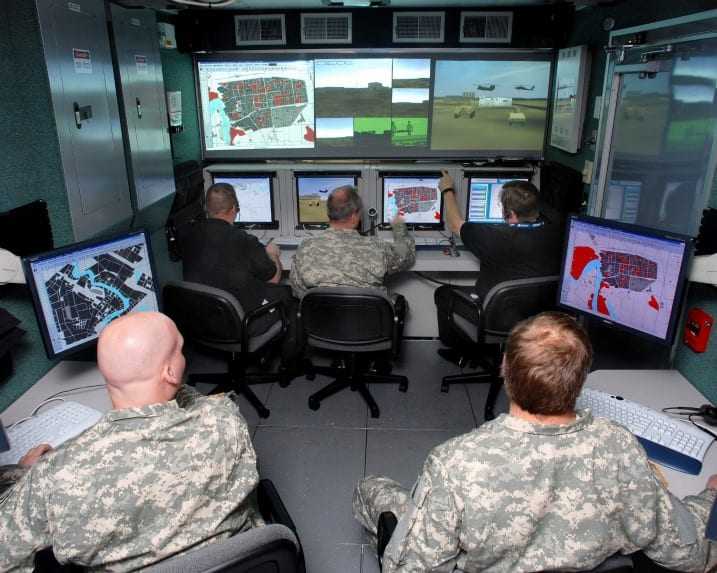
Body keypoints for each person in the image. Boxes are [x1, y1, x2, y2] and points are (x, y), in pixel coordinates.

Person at [354, 312, 717, 572]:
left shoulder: (455, 462)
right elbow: (686, 552)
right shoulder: (620, 446)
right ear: (580, 378)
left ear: (504, 368)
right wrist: (710, 497)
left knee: (371, 488)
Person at [0, 312, 263, 571]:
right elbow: (200, 404)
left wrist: (22, 473)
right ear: (171, 371)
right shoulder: (224, 419)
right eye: (180, 350)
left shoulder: (54, 476)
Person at [434, 170, 564, 357]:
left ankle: (466, 353)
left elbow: (455, 224)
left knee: (443, 293)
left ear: (510, 214)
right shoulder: (558, 232)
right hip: (538, 317)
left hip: (495, 318)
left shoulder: (492, 236)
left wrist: (447, 189)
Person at [178, 182, 300, 371]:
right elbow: (273, 279)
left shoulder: (188, 235)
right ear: (234, 208)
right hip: (241, 325)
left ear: (206, 207)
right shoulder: (243, 240)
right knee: (287, 293)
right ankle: (288, 365)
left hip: (200, 322)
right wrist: (273, 254)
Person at [289, 185, 416, 297]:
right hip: (367, 316)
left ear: (328, 213)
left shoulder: (306, 247)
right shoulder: (377, 247)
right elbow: (406, 257)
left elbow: (298, 291)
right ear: (354, 216)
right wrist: (399, 227)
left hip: (320, 316)